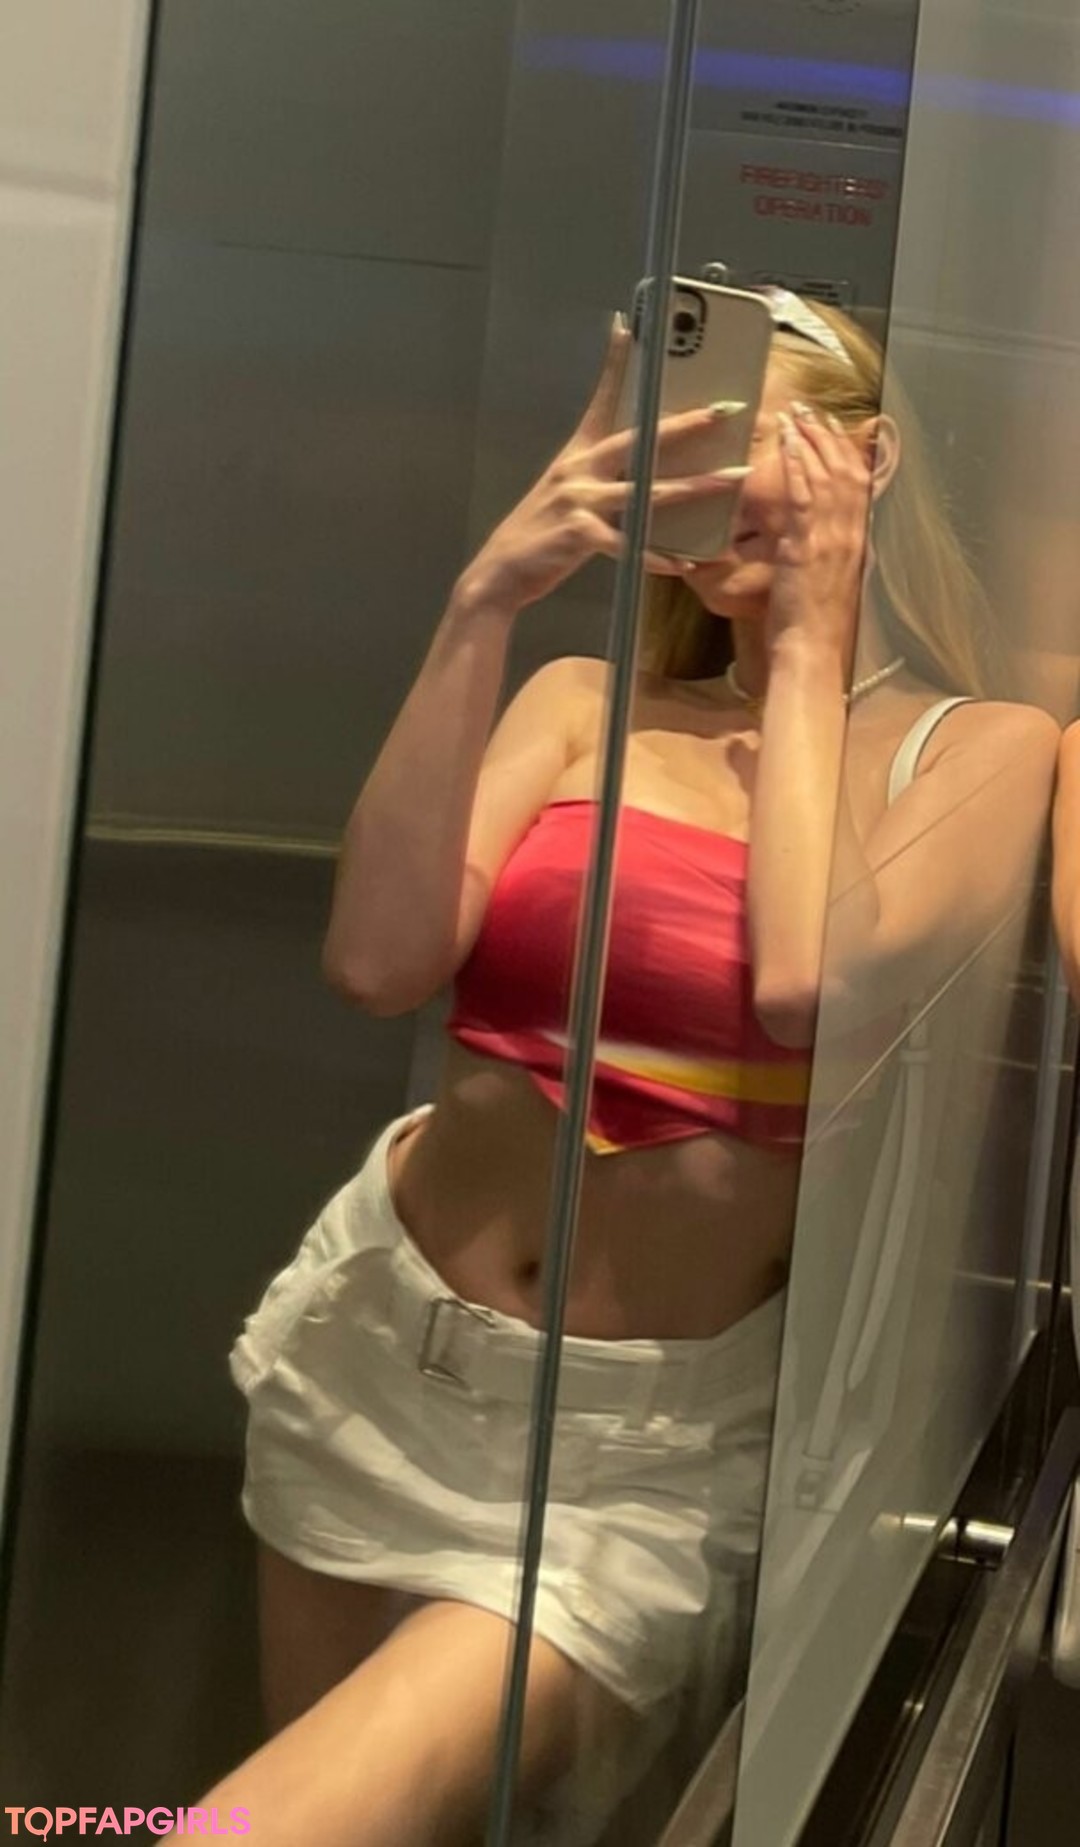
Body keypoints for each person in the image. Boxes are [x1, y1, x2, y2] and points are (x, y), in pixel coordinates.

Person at [179, 293, 1057, 1847]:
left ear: (866, 460)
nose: (700, 489)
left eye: (741, 447)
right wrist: (487, 599)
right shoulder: (583, 702)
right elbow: (376, 962)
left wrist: (811, 645)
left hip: (631, 1465)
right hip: (373, 1340)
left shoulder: (984, 753)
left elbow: (807, 982)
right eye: (676, 453)